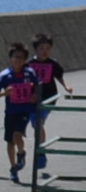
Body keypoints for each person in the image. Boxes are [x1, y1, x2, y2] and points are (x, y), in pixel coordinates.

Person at [0, 43, 41, 182]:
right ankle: (13, 167)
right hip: (10, 112)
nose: (18, 60)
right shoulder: (4, 75)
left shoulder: (29, 73)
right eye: (15, 57)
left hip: (24, 110)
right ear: (10, 58)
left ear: (25, 59)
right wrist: (5, 93)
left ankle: (21, 153)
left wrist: (35, 95)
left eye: (21, 57)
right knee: (10, 142)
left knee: (17, 136)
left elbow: (38, 87)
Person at [27, 34, 71, 173]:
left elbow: (59, 76)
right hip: (33, 98)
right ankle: (41, 149)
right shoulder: (29, 64)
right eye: (41, 48)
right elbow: (24, 80)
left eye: (47, 48)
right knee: (36, 124)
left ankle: (41, 152)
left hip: (49, 97)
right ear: (35, 49)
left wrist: (66, 87)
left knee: (38, 123)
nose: (44, 51)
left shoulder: (53, 63)